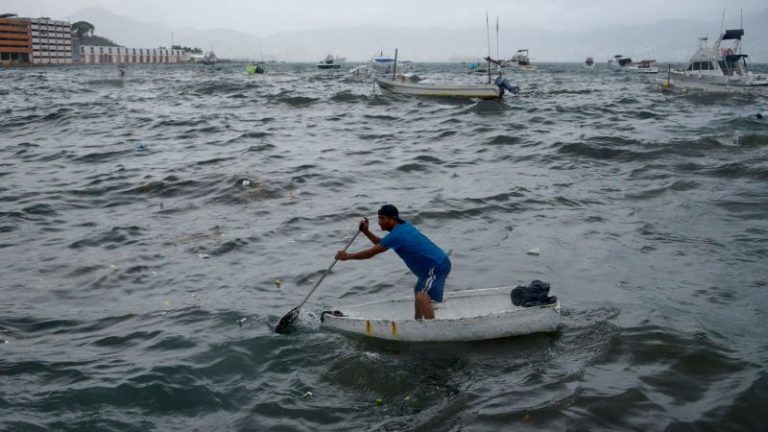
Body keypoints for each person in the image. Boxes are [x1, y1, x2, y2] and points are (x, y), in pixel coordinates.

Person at [335, 204, 451, 320]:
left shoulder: (396, 235)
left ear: (393, 219)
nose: (379, 222)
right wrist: (366, 232)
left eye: (382, 218)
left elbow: (371, 253)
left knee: (422, 295)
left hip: (435, 266)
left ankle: (431, 326)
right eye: (379, 218)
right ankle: (418, 321)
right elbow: (381, 244)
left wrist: (348, 256)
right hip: (436, 264)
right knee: (418, 291)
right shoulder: (403, 227)